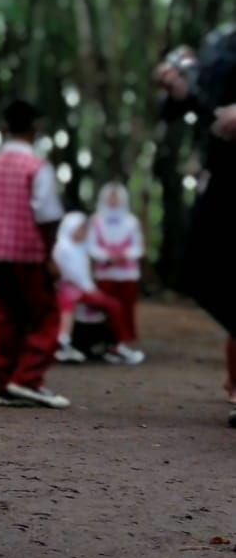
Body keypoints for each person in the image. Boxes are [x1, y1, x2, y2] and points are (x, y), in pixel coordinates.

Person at [157, 26, 236, 427]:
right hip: (224, 170)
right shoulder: (220, 40)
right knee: (197, 268)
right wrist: (177, 88)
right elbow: (190, 101)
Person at [0, 99, 68, 409]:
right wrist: (49, 253)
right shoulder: (37, 166)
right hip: (29, 255)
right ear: (35, 130)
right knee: (45, 317)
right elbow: (47, 214)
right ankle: (27, 379)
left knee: (7, 317)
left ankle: (5, 382)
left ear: (5, 129)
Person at [54, 212, 145, 366]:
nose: (83, 232)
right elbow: (72, 275)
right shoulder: (63, 248)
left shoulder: (80, 248)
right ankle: (115, 347)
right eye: (80, 228)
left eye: (84, 228)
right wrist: (91, 290)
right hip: (73, 290)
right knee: (113, 305)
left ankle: (113, 345)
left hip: (81, 289)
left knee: (110, 306)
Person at [87, 183, 145, 352]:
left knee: (126, 307)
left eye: (116, 196)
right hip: (104, 273)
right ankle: (104, 339)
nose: (113, 200)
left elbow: (138, 247)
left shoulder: (132, 221)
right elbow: (91, 245)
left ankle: (123, 340)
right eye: (110, 196)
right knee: (104, 307)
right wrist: (106, 256)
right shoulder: (96, 220)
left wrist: (124, 255)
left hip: (127, 274)